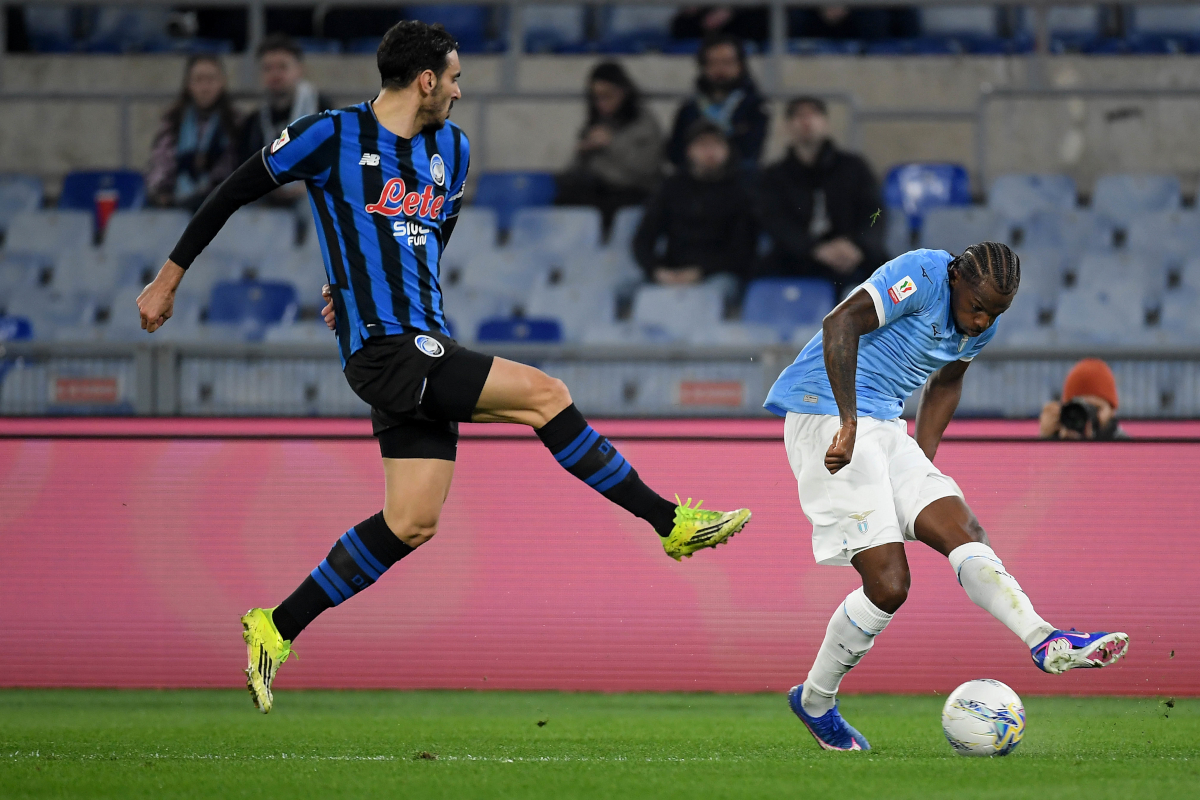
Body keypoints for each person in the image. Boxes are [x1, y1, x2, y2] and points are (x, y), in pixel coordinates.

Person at [136, 21, 752, 714]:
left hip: (422, 339)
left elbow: (431, 239)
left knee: (412, 521)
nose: (460, 91)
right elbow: (231, 191)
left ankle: (273, 627)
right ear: (425, 80)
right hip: (386, 350)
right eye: (454, 78)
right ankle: (669, 522)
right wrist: (168, 279)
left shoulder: (450, 150)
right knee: (546, 395)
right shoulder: (329, 134)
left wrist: (349, 285)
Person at [764, 242, 1128, 751]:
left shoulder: (983, 320)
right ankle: (815, 701)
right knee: (889, 586)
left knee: (964, 529)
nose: (981, 322)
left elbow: (946, 382)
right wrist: (847, 423)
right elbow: (839, 324)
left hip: (885, 425)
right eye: (977, 307)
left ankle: (1045, 639)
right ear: (956, 277)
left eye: (995, 313)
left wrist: (923, 463)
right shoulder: (921, 274)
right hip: (825, 411)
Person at [755, 96, 886, 298]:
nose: (806, 122)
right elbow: (774, 221)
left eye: (813, 115)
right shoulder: (775, 175)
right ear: (788, 126)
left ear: (825, 123)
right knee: (759, 280)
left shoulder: (854, 167)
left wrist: (859, 246)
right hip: (797, 259)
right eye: (798, 116)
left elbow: (875, 211)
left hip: (854, 256)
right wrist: (813, 249)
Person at [633, 120, 755, 289]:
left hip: (718, 273)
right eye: (703, 144)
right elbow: (643, 239)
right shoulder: (671, 188)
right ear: (689, 150)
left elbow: (741, 251)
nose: (710, 151)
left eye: (717, 144)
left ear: (728, 150)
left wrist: (701, 271)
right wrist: (657, 270)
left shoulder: (740, 192)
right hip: (672, 270)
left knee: (715, 291)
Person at [555, 61, 664, 230]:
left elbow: (647, 167)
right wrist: (583, 152)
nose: (601, 103)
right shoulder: (595, 122)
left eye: (607, 96)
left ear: (624, 92)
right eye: (596, 97)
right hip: (598, 190)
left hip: (634, 191)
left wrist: (612, 143)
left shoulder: (645, 123)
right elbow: (579, 169)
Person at [239, 33, 333, 206]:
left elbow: (339, 162)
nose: (275, 74)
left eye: (282, 67)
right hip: (268, 198)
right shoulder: (254, 121)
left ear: (299, 69)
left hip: (312, 193)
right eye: (268, 68)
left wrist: (305, 187)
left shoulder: (323, 111)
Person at [145, 55, 241, 211]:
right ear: (188, 84)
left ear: (222, 82)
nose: (204, 87)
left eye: (211, 79)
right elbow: (160, 163)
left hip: (221, 205)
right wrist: (161, 193)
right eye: (198, 80)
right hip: (175, 202)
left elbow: (234, 168)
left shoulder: (235, 122)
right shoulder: (172, 122)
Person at [666, 34, 768, 173]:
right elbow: (676, 154)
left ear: (740, 65)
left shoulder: (755, 107)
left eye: (727, 62)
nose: (720, 69)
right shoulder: (690, 108)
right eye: (713, 63)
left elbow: (752, 152)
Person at [1039, 358, 1129, 440]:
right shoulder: (1060, 438)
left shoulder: (1126, 449)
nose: (1086, 416)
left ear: (1112, 411)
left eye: (1095, 408)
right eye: (1078, 407)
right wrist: (1048, 440)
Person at [670, 5, 768, 43]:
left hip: (744, 40)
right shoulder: (699, 12)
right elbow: (678, 29)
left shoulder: (753, 11)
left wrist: (732, 11)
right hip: (705, 42)